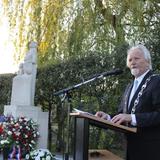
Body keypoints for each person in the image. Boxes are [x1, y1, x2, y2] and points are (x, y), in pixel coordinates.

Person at [95, 44, 160, 160]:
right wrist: (108, 118)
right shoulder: (129, 87)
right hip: (130, 150)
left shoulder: (157, 81)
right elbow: (122, 114)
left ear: (147, 61)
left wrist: (133, 118)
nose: (133, 62)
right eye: (130, 60)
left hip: (151, 150)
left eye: (137, 58)